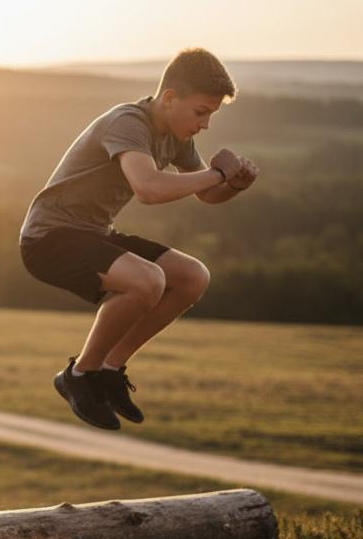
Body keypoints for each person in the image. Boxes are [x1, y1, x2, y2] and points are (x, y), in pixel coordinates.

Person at [19, 48, 259, 430]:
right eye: (201, 112)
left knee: (192, 277)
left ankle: (110, 369)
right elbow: (148, 188)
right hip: (49, 237)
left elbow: (206, 194)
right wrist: (217, 174)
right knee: (148, 281)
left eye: (212, 114)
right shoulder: (128, 122)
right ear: (169, 98)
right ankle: (79, 376)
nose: (206, 124)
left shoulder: (176, 137)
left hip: (93, 233)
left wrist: (233, 184)